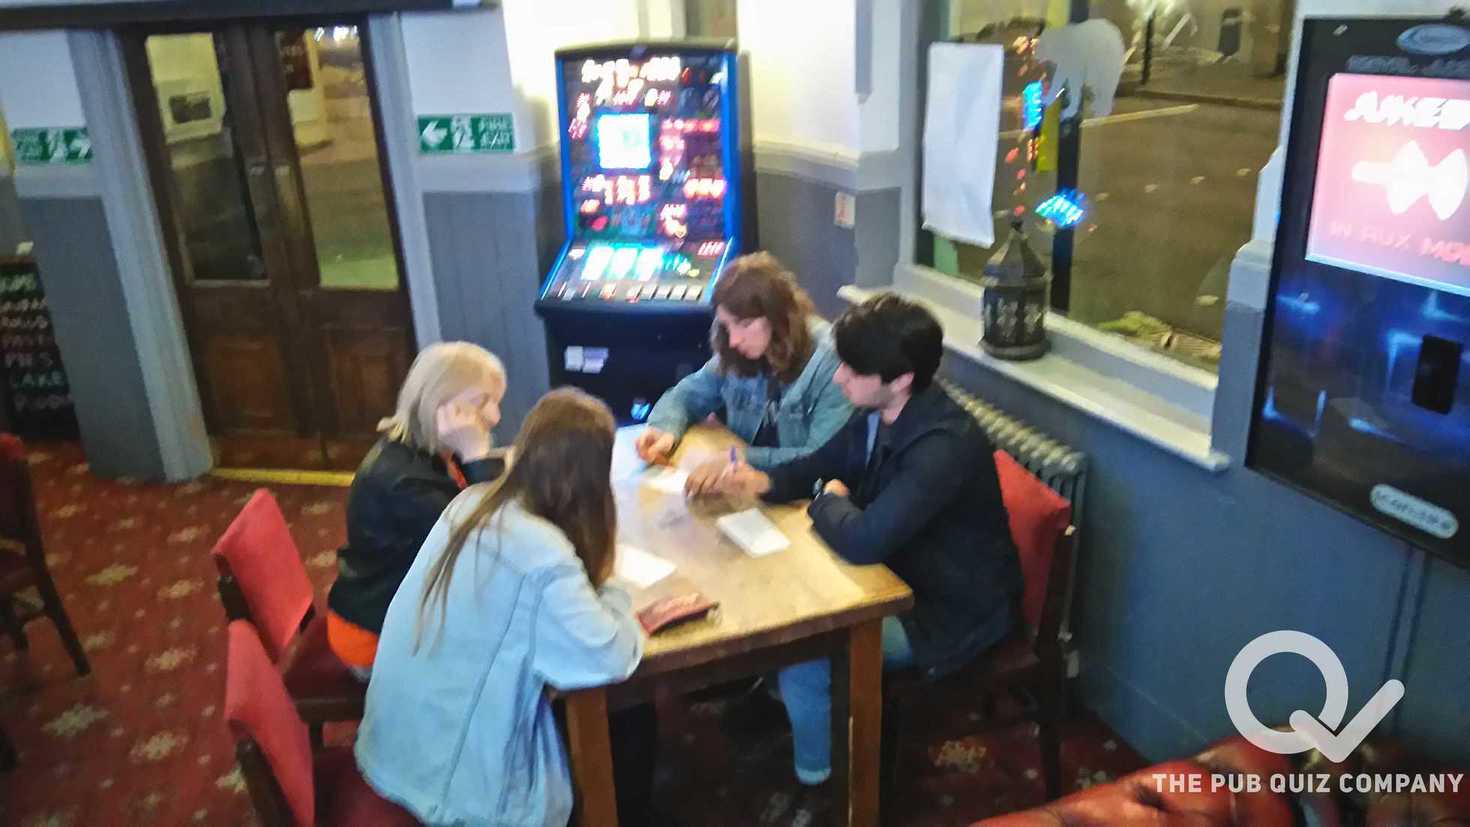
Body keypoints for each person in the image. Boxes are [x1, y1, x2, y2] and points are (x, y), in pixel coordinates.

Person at [686, 293, 1022, 788]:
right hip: (898, 572)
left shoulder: (943, 446)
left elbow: (864, 540)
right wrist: (765, 481)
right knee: (783, 594)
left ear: (901, 379)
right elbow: (821, 465)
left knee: (806, 645)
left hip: (946, 612)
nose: (840, 377)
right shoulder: (877, 411)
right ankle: (795, 714)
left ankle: (825, 786)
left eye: (853, 369)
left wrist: (825, 500)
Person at [356, 388, 652, 827]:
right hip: (455, 796)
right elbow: (611, 656)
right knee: (632, 715)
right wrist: (613, 590)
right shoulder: (543, 555)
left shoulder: (469, 504)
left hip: (393, 746)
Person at [326, 342, 508, 678]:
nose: (495, 416)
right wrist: (477, 454)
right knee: (511, 660)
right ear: (440, 403)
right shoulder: (403, 481)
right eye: (482, 402)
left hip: (414, 608)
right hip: (377, 637)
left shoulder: (427, 449)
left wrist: (478, 459)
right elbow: (490, 545)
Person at [635, 251, 852, 472]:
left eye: (745, 324)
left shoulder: (830, 359)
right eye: (727, 325)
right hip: (743, 480)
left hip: (801, 489)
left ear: (778, 315)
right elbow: (685, 396)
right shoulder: (738, 349)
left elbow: (821, 459)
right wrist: (664, 431)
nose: (734, 340)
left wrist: (742, 457)